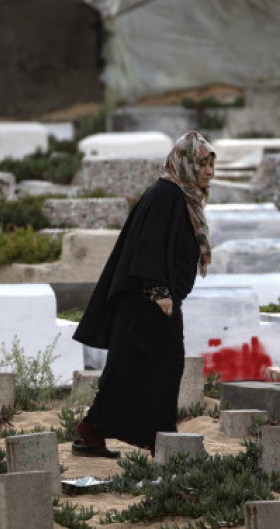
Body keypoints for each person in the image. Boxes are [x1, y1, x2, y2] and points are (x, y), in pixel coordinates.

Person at [71, 131, 216, 458]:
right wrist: (160, 293)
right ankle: (161, 440)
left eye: (210, 164)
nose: (209, 171)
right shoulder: (167, 194)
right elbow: (146, 245)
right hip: (149, 302)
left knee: (132, 369)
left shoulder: (180, 195)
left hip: (152, 302)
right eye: (202, 163)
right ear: (186, 163)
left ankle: (95, 431)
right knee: (159, 369)